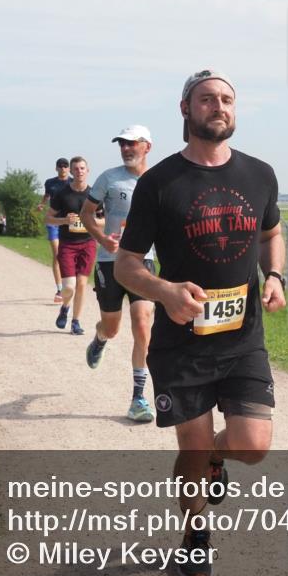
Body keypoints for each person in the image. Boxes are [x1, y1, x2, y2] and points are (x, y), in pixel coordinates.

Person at [115, 70, 286, 576]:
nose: (219, 106)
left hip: (242, 337)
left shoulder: (259, 175)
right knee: (189, 449)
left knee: (253, 446)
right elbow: (127, 264)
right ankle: (195, 536)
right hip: (181, 343)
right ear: (185, 109)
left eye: (228, 99)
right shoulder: (159, 181)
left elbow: (271, 233)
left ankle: (219, 452)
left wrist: (274, 274)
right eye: (207, 98)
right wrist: (165, 291)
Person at [81, 125, 157, 422]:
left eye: (132, 144)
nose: (126, 149)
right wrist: (102, 239)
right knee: (112, 327)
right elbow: (87, 213)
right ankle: (100, 338)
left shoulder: (157, 181)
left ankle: (138, 398)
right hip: (109, 262)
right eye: (122, 144)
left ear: (146, 147)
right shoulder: (108, 178)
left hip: (142, 262)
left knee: (142, 324)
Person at [47, 156, 97, 335]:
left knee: (82, 284)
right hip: (67, 244)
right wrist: (64, 220)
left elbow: (104, 219)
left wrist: (90, 220)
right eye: (76, 169)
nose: (79, 171)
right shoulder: (62, 194)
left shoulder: (94, 194)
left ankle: (76, 322)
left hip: (88, 243)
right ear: (71, 171)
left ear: (87, 170)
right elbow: (48, 218)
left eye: (82, 168)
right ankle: (65, 307)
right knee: (69, 287)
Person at [38, 158, 72, 303]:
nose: (63, 168)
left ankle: (70, 284)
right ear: (56, 168)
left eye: (65, 166)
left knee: (69, 254)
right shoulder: (50, 183)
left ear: (69, 168)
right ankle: (59, 289)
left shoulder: (73, 182)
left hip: (69, 222)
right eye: (60, 166)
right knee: (58, 254)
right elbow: (46, 196)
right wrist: (41, 204)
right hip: (53, 222)